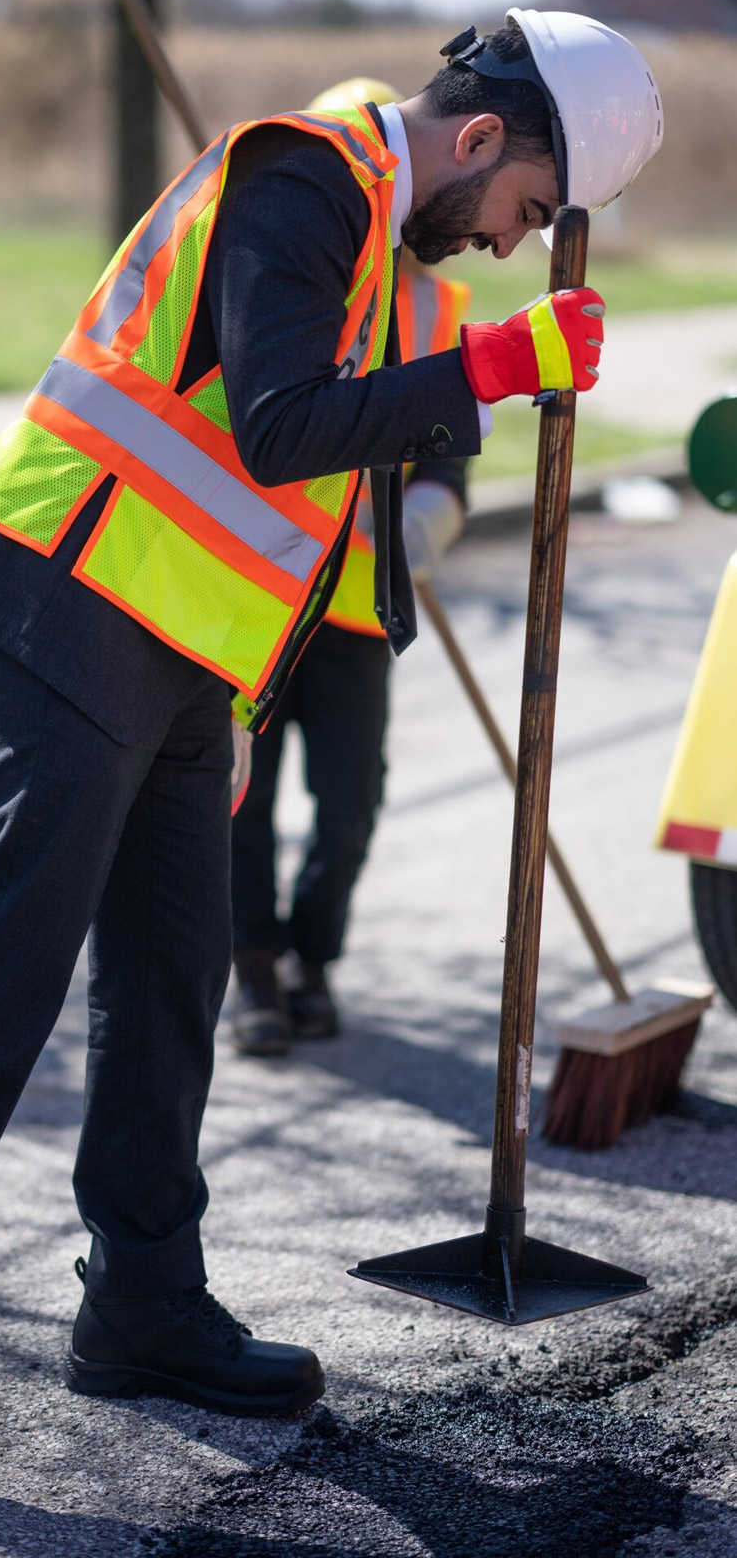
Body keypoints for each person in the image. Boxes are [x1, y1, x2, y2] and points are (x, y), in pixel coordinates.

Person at [0, 9, 661, 1511]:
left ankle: (142, 1304)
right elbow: (280, 429)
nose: (511, 246)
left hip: (178, 651)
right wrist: (495, 368)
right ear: (487, 137)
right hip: (63, 589)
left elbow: (294, 524)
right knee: (1, 981)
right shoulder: (297, 180)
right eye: (522, 214)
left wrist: (235, 696)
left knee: (174, 976)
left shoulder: (384, 257)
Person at [229, 78, 472, 1056]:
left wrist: (417, 533)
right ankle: (252, 967)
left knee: (351, 801)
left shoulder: (437, 308)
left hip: (360, 607)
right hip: (258, 595)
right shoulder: (295, 264)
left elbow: (450, 470)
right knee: (240, 798)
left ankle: (312, 954)